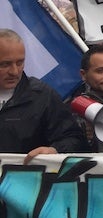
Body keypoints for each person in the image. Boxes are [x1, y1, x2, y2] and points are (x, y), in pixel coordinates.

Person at [0, 29, 87, 163]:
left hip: (26, 175)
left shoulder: (42, 96)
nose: (14, 71)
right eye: (5, 64)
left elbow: (74, 139)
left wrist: (54, 150)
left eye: (20, 62)